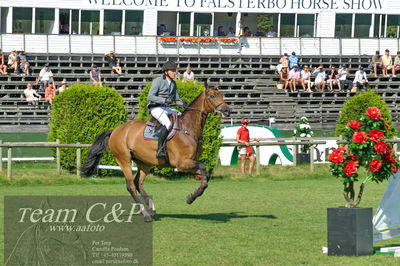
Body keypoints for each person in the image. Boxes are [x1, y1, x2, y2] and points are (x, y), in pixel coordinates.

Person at [148, 61, 186, 158]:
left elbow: (177, 100)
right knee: (168, 124)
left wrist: (183, 104)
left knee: (181, 116)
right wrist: (164, 100)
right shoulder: (158, 81)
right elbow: (150, 96)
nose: (175, 72)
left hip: (165, 108)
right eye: (172, 71)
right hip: (156, 107)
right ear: (166, 72)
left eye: (175, 71)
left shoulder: (173, 83)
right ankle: (159, 149)